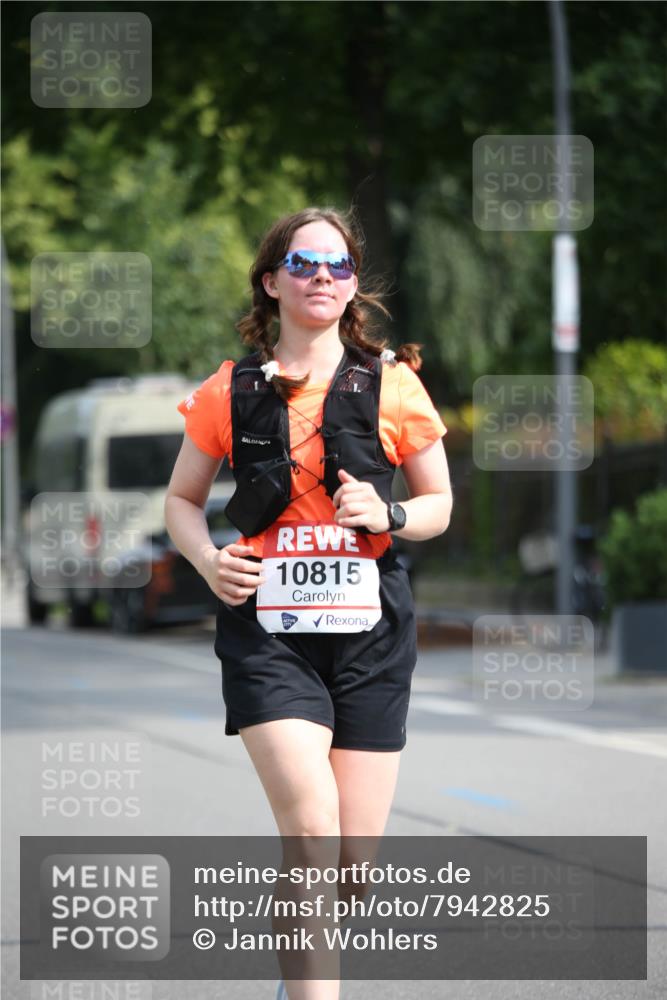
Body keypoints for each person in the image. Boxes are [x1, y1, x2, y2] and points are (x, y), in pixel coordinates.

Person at [165, 206, 453, 1000]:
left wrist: (389, 514)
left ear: (353, 284)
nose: (321, 276)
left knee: (350, 866)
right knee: (312, 833)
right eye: (302, 263)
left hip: (371, 631)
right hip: (268, 631)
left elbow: (437, 505)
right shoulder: (229, 391)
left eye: (337, 265)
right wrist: (208, 561)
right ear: (271, 281)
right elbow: (181, 502)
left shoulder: (392, 384)